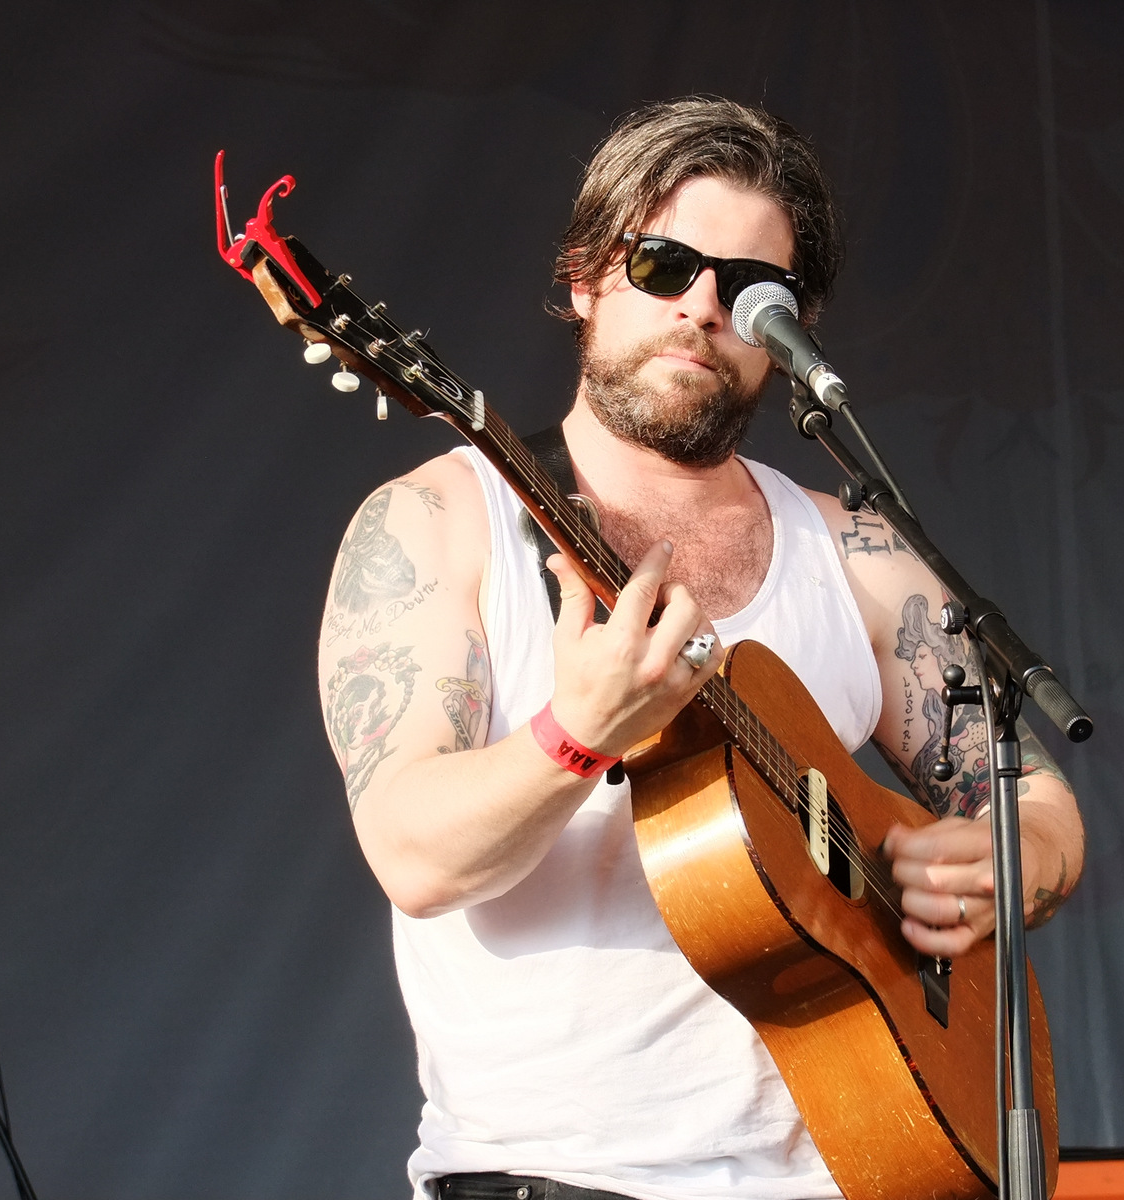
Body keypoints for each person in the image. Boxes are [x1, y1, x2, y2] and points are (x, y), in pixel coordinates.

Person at [317, 96, 1085, 1200]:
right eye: (663, 265)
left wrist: (1016, 866)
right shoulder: (439, 524)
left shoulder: (856, 552)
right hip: (556, 1178)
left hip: (848, 1172)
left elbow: (1035, 802)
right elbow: (414, 857)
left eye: (749, 287)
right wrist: (574, 734)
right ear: (585, 276)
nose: (702, 308)